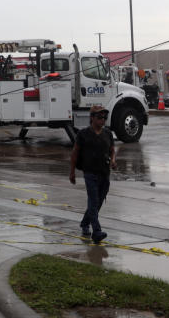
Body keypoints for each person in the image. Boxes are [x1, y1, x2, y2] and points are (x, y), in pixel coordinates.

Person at [69, 104, 116, 244]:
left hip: (104, 174)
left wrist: (113, 161)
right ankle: (96, 231)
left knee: (97, 203)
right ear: (92, 118)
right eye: (100, 117)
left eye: (104, 117)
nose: (103, 119)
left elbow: (112, 150)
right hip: (90, 174)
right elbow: (75, 153)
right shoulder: (83, 134)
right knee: (93, 201)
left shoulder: (108, 133)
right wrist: (72, 172)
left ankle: (84, 223)